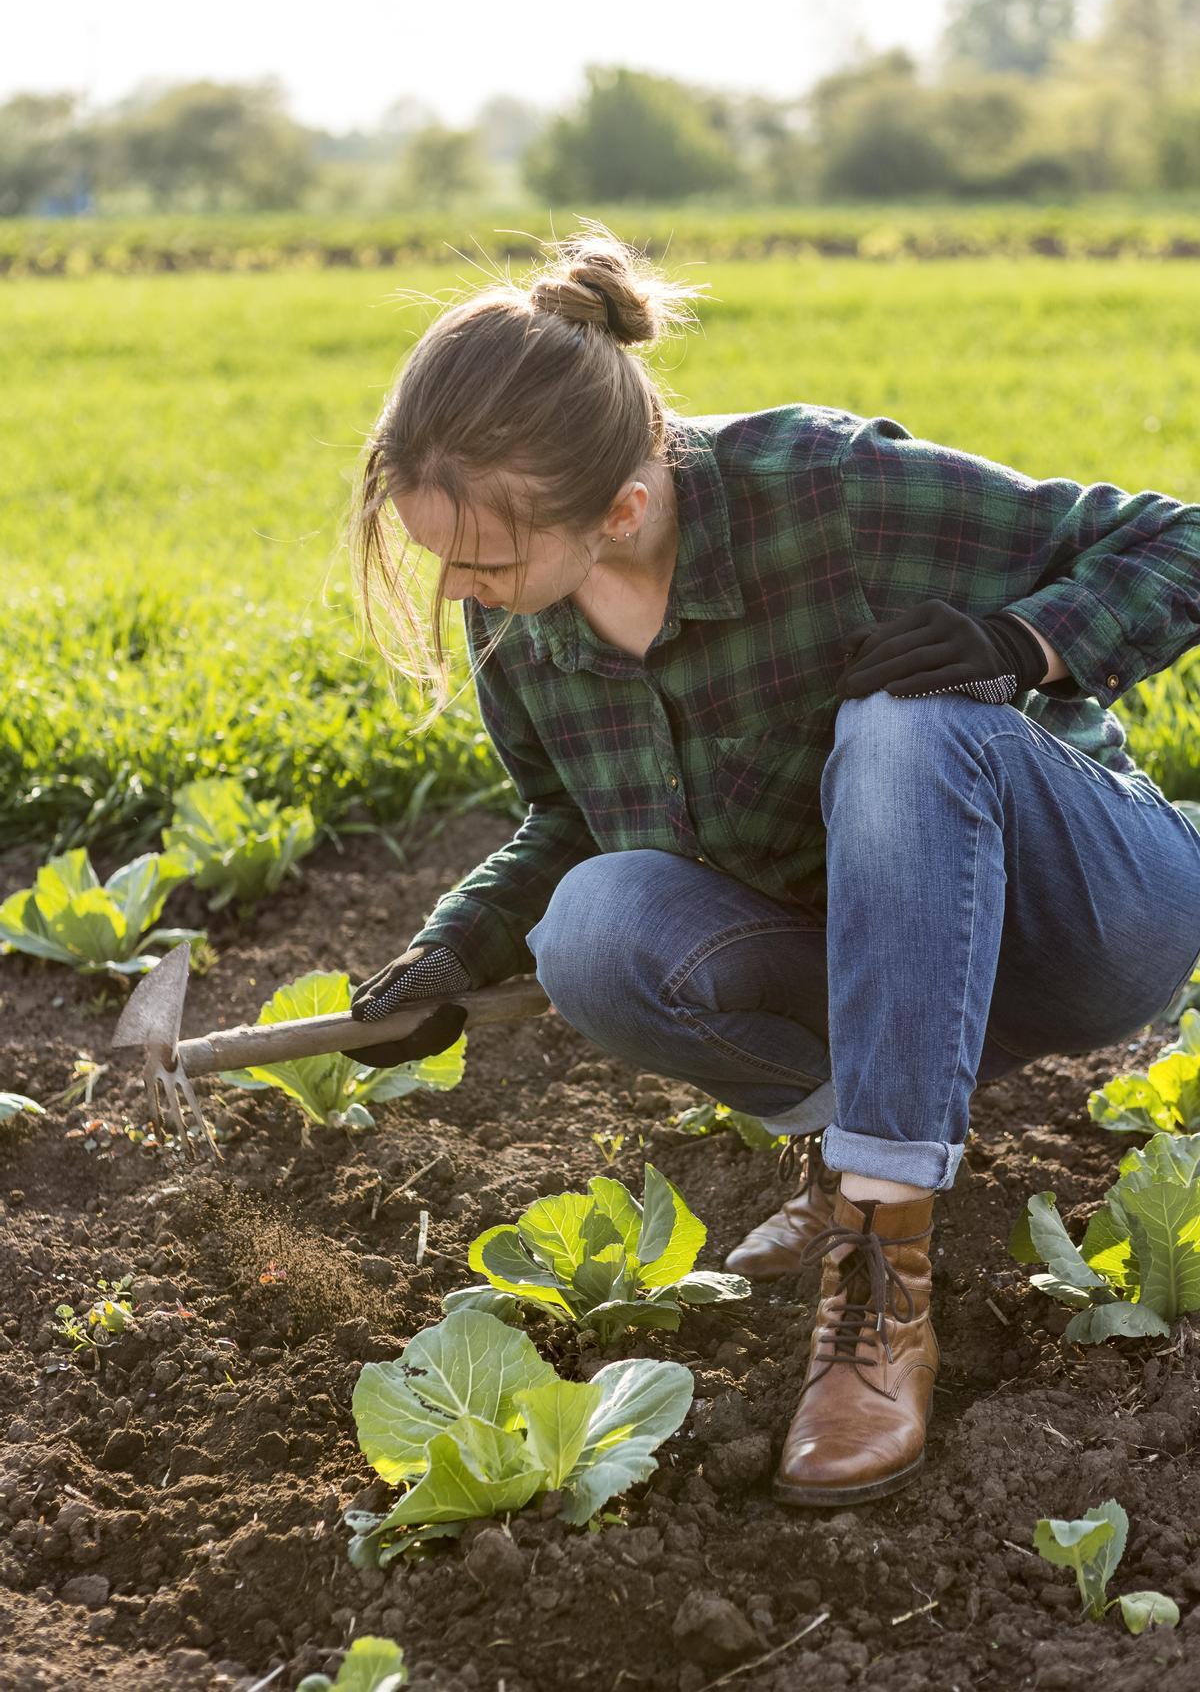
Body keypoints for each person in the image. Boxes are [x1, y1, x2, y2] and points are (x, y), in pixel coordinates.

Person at [343, 219, 1200, 1508]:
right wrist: (452, 948)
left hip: (1085, 923)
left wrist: (1023, 644)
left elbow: (1176, 541)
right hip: (881, 969)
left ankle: (879, 1287)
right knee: (592, 924)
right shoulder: (521, 626)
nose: (459, 584)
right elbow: (568, 828)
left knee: (905, 728)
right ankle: (861, 1156)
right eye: (442, 555)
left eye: (484, 556)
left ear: (624, 508)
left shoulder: (825, 490)